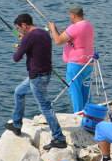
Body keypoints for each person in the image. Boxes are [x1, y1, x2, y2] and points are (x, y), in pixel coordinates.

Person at [6, 14, 67, 150]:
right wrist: (24, 43)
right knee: (19, 92)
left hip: (37, 77)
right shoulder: (44, 33)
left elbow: (16, 58)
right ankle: (16, 125)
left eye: (19, 28)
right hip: (45, 73)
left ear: (24, 25)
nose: (19, 31)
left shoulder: (29, 37)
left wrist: (20, 46)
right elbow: (36, 49)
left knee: (45, 107)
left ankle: (59, 138)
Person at [48, 5, 94, 114]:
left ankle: (78, 114)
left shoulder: (74, 27)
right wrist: (58, 33)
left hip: (76, 64)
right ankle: (89, 114)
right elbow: (74, 38)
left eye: (70, 16)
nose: (70, 18)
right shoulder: (88, 25)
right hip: (88, 62)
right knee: (86, 90)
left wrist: (52, 28)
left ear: (73, 15)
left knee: (75, 91)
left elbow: (58, 41)